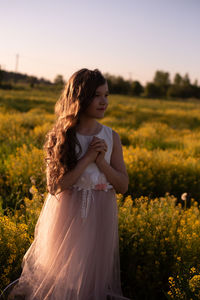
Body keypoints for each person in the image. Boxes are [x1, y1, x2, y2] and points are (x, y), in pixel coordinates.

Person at [8, 68, 130, 300]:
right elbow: (54, 186)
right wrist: (86, 159)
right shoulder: (62, 135)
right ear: (80, 98)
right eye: (97, 95)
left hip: (101, 214)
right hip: (67, 213)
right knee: (60, 275)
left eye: (107, 95)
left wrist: (101, 162)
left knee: (91, 276)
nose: (104, 102)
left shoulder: (111, 136)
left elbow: (123, 185)